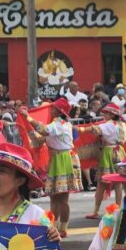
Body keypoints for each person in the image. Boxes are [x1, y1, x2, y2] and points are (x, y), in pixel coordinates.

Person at [22, 98, 82, 237]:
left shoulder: (59, 125)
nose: (51, 109)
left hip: (63, 160)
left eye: (54, 108)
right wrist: (27, 125)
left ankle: (62, 228)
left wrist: (28, 118)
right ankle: (53, 226)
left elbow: (43, 131)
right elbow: (40, 138)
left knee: (62, 198)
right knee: (54, 197)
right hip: (58, 160)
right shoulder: (58, 124)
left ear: (59, 111)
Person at [86, 98, 126, 219]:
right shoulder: (123, 125)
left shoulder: (108, 125)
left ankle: (95, 211)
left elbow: (95, 130)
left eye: (106, 113)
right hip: (119, 152)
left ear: (112, 115)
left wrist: (81, 129)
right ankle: (118, 209)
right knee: (118, 183)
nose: (104, 115)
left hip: (108, 153)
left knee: (101, 184)